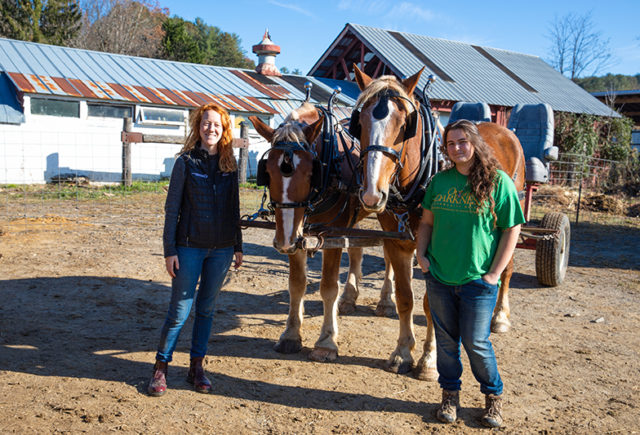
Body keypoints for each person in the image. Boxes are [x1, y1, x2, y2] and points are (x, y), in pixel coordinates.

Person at [416, 120, 525, 427]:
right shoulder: (440, 182)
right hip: (439, 277)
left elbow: (512, 228)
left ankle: (493, 399)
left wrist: (494, 274)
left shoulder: (499, 182)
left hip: (478, 281)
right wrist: (421, 255)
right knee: (446, 342)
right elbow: (426, 223)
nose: (456, 149)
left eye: (462, 142)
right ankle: (450, 397)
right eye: (450, 144)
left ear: (475, 143)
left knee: (476, 342)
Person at [148, 103, 243, 396]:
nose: (210, 129)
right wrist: (169, 250)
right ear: (197, 127)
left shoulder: (230, 166)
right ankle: (160, 368)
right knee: (179, 310)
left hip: (222, 250)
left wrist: (237, 246)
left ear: (224, 129)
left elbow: (234, 209)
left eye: (216, 124)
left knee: (206, 310)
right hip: (188, 248)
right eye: (205, 123)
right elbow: (171, 210)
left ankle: (196, 368)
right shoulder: (185, 163)